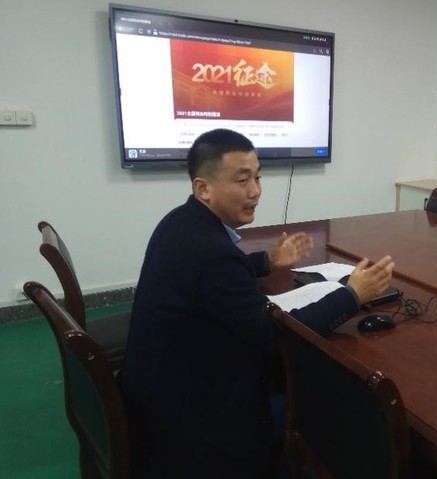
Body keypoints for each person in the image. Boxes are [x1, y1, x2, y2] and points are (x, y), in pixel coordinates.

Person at [118, 128, 395, 478]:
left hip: (154, 390)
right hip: (192, 421)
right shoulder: (212, 254)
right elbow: (276, 337)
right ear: (203, 188)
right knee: (326, 400)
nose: (255, 191)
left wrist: (267, 261)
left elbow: (213, 279)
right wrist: (352, 294)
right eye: (242, 180)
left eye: (258, 177)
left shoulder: (181, 222)